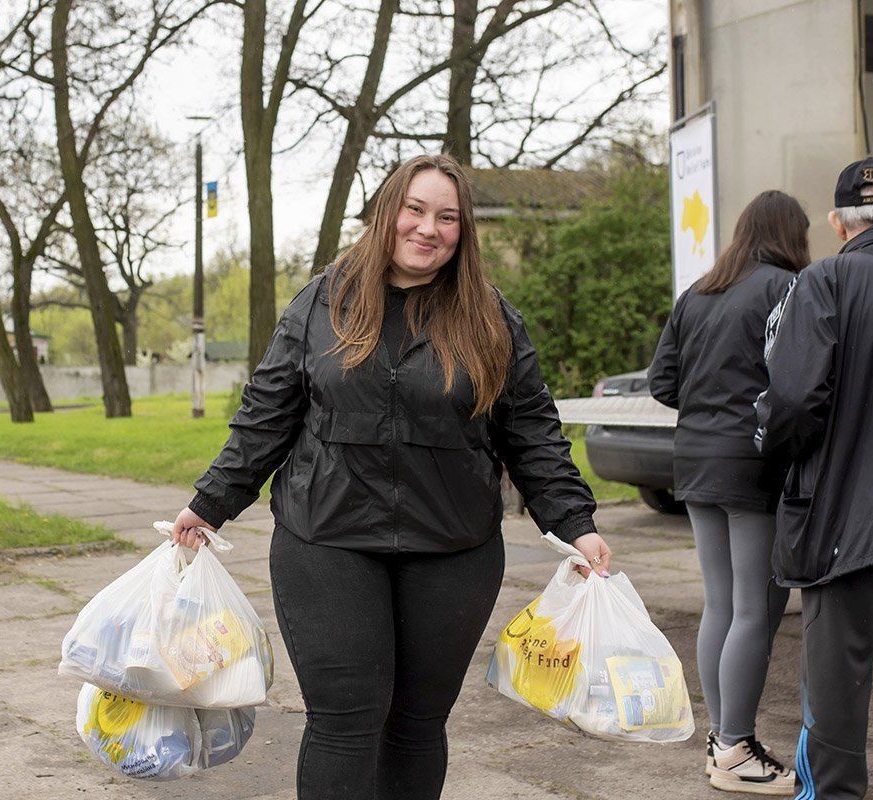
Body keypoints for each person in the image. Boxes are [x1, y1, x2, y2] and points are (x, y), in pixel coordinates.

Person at [168, 154, 611, 800]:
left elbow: (534, 432)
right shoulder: (323, 302)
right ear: (386, 214)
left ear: (463, 232)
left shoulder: (489, 317)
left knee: (416, 725)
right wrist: (209, 504)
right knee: (345, 721)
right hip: (328, 541)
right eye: (416, 210)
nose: (429, 228)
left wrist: (576, 524)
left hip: (452, 549)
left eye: (447, 217)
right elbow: (265, 417)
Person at [756, 157, 873, 800]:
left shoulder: (826, 280)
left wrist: (772, 443)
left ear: (835, 222)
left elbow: (795, 403)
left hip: (845, 518)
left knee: (835, 685)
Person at [649, 190, 811, 795]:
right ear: (790, 235)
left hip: (693, 459)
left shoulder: (698, 292)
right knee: (757, 608)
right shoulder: (786, 288)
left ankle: (724, 740)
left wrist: (711, 407)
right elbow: (798, 380)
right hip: (752, 463)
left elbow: (664, 381)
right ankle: (736, 750)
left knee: (721, 604)